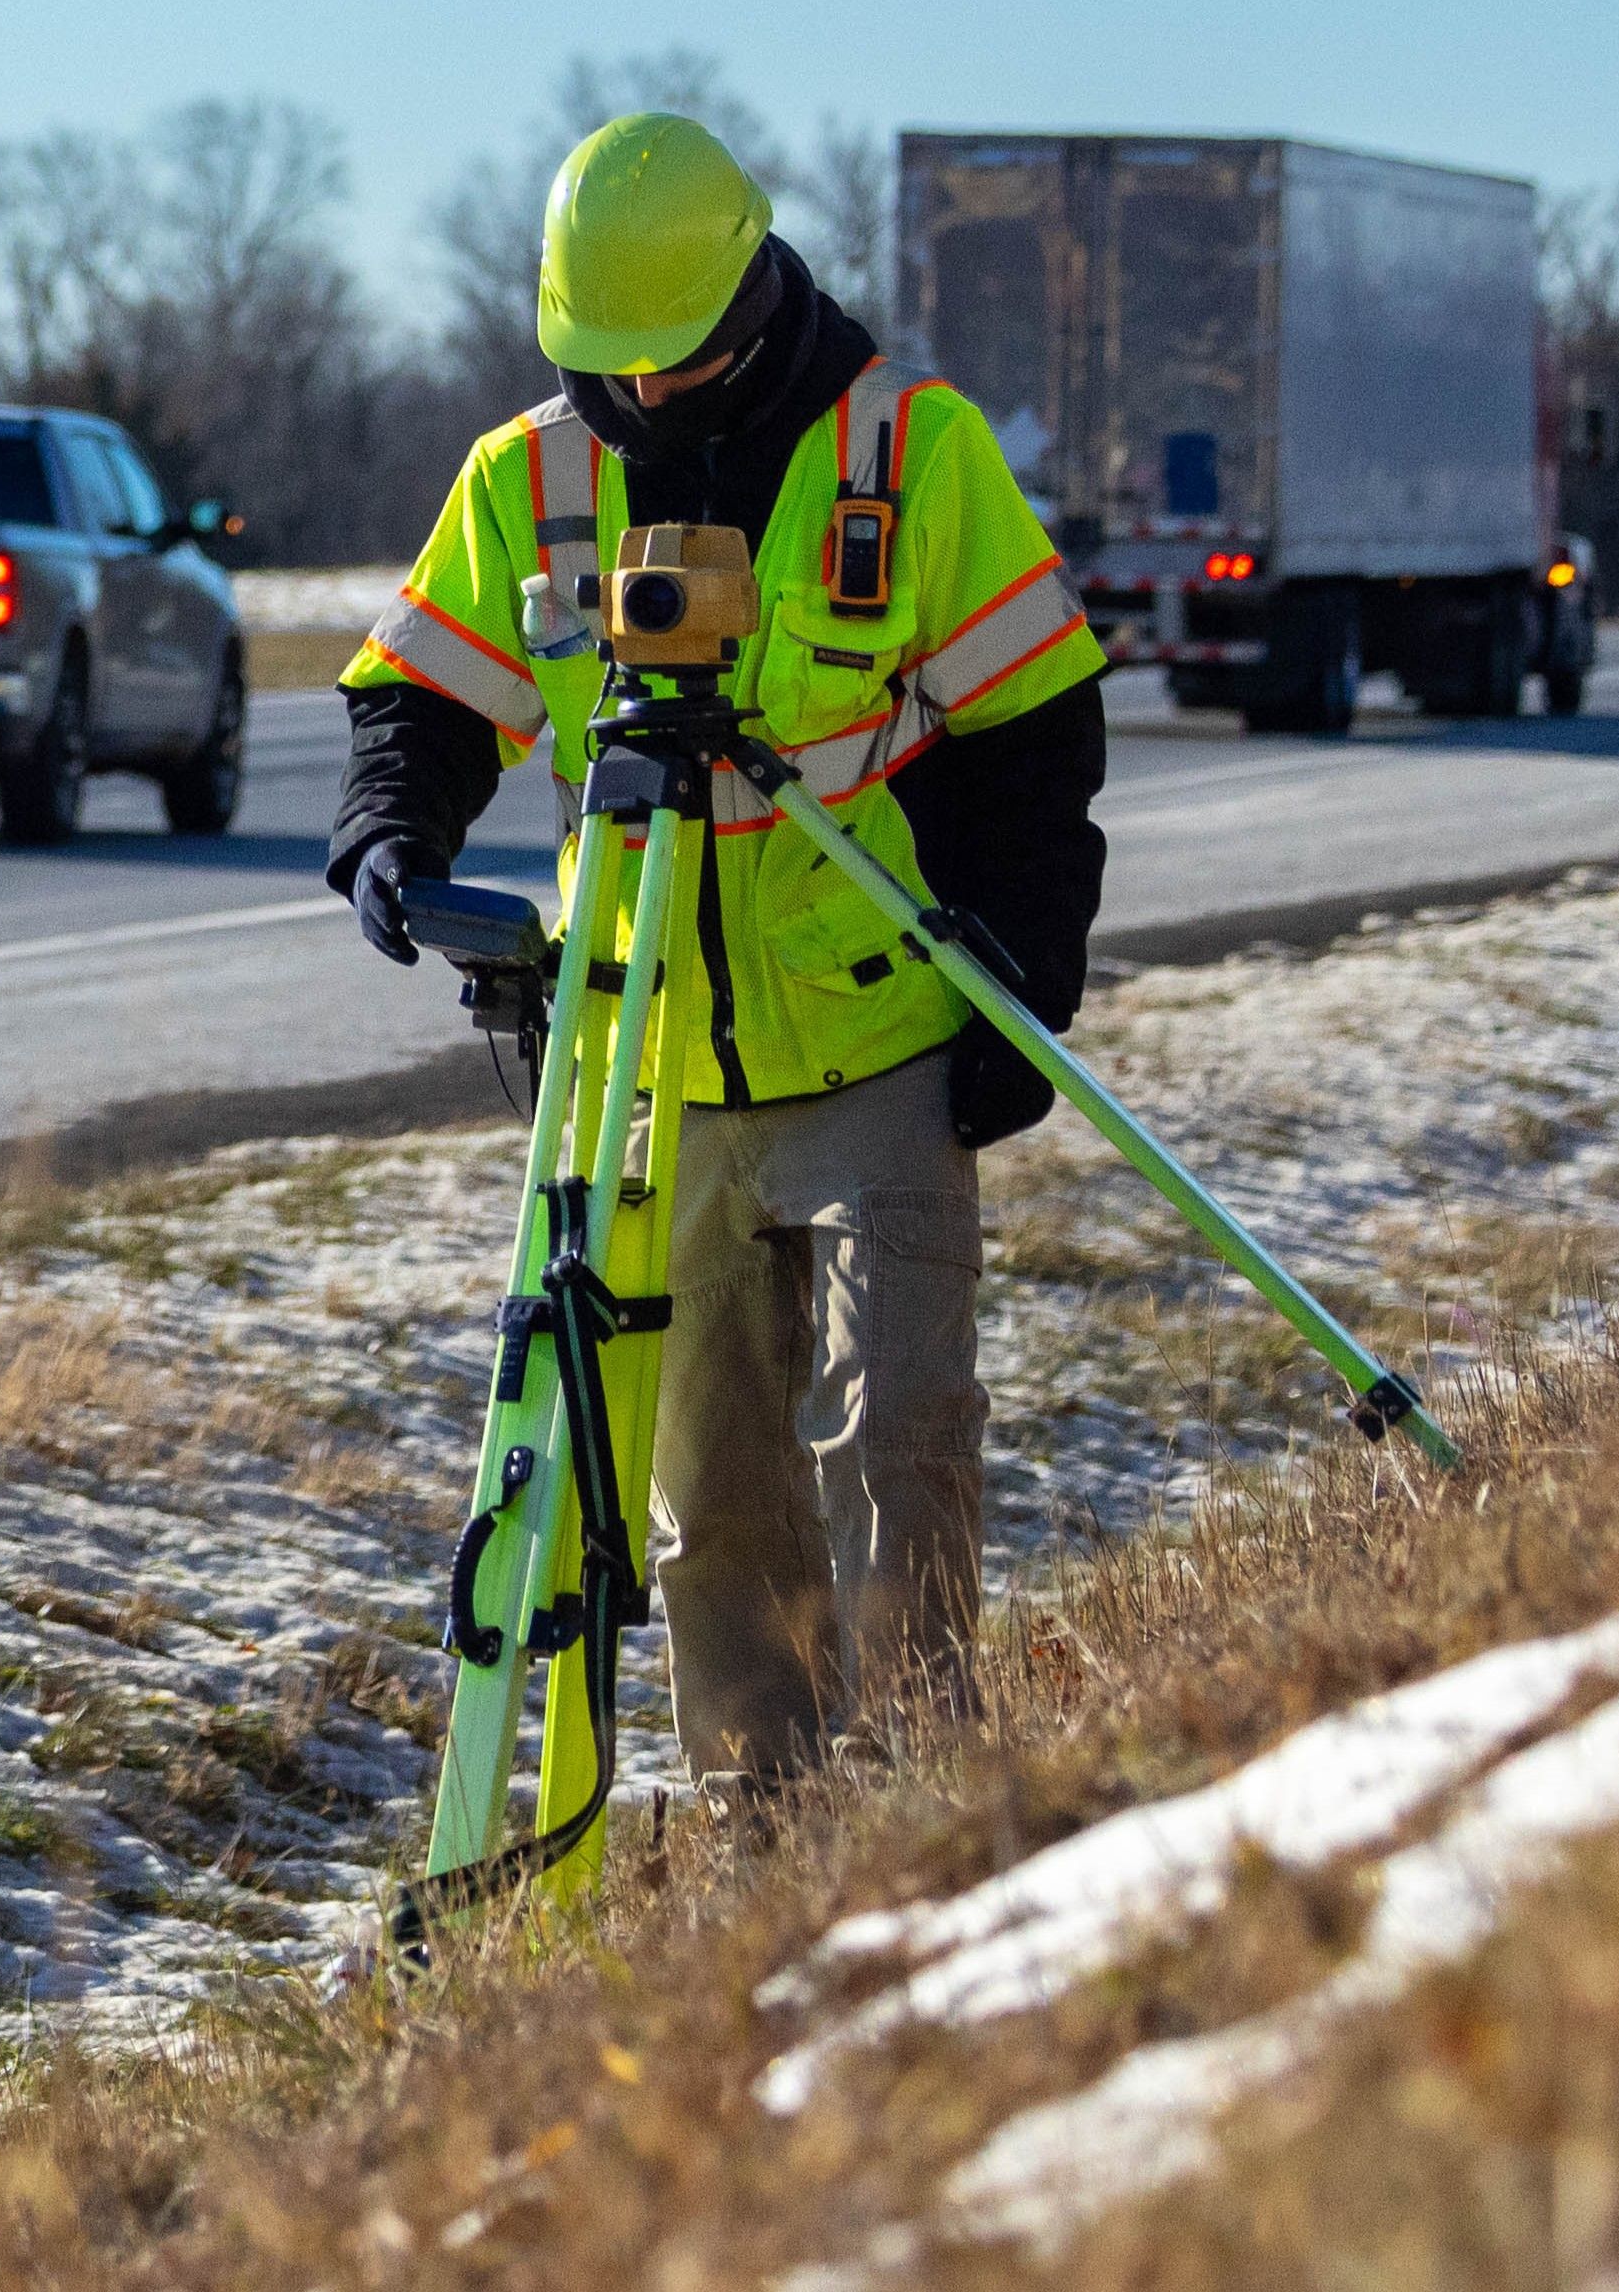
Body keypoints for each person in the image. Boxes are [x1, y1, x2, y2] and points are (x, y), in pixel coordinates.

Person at [320, 113, 1112, 1791]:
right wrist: (392, 833)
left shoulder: (910, 450)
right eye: (611, 367)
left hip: (885, 1046)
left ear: (747, 293)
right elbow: (421, 698)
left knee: (900, 1449)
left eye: (669, 364)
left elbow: (1033, 733)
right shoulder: (528, 477)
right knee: (709, 1509)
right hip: (644, 1072)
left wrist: (1022, 981)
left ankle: (920, 1812)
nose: (643, 398)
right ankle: (765, 1841)